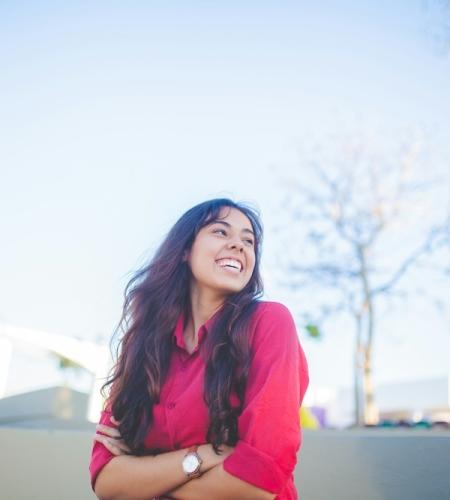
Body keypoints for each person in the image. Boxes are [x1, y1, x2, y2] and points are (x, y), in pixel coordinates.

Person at [89, 198, 309, 500]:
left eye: (249, 240)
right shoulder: (141, 344)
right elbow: (106, 481)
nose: (239, 245)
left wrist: (148, 478)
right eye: (221, 232)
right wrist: (204, 457)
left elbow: (259, 481)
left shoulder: (270, 322)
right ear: (184, 250)